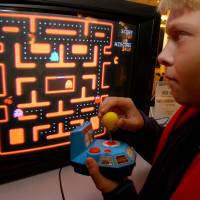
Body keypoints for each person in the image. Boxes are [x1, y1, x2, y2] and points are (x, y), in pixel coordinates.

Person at [86, 0, 200, 199]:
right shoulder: (193, 107)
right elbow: (177, 160)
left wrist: (118, 192)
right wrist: (143, 129)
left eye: (180, 35)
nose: (161, 56)